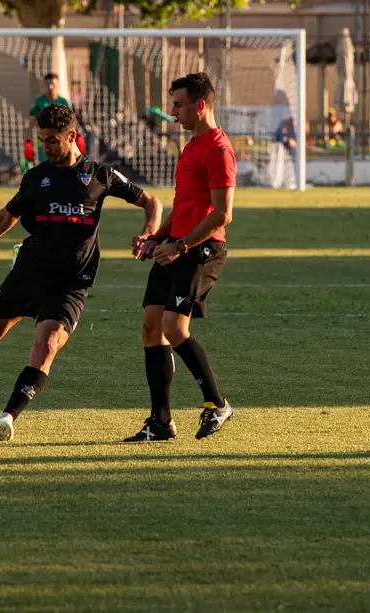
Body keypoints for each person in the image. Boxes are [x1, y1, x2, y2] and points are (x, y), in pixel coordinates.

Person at [0, 103, 162, 441]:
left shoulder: (99, 175)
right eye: (42, 140)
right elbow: (6, 216)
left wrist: (149, 232)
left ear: (71, 137)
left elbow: (152, 201)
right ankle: (20, 306)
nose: (45, 147)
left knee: (45, 344)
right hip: (30, 273)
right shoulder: (36, 178)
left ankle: (6, 418)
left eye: (52, 141)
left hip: (71, 283)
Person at [124, 72, 236, 443]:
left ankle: (217, 404)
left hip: (201, 249)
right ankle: (160, 421)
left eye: (177, 104)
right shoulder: (189, 147)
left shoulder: (219, 149)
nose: (172, 112)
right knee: (151, 326)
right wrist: (155, 237)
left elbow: (221, 215)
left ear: (200, 105)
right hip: (176, 245)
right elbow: (183, 206)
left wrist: (180, 245)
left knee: (174, 327)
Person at [29, 73, 71, 164]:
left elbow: (71, 120)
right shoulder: (40, 101)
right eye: (48, 84)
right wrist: (28, 136)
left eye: (53, 84)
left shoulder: (63, 101)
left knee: (60, 160)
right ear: (45, 84)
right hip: (44, 137)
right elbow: (32, 118)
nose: (51, 87)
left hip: (60, 137)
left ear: (57, 84)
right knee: (45, 160)